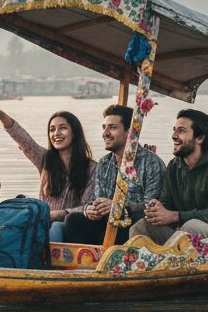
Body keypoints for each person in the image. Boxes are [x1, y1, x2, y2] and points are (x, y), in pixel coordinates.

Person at [130, 108, 208, 245]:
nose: (173, 135)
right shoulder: (174, 166)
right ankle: (141, 264)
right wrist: (158, 209)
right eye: (174, 129)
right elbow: (167, 204)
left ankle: (169, 261)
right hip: (184, 233)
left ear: (200, 138)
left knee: (191, 227)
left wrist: (175, 216)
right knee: (142, 225)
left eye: (181, 131)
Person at [0, 101, 96, 241]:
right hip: (42, 226)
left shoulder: (91, 168)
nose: (56, 133)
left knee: (57, 227)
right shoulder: (45, 159)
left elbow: (88, 207)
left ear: (75, 133)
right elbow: (24, 140)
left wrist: (59, 214)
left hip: (73, 231)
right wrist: (1, 115)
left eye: (63, 128)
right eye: (52, 129)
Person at [63, 104, 165, 245]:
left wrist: (118, 206)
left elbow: (151, 209)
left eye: (112, 127)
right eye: (104, 127)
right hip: (108, 224)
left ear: (129, 133)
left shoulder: (151, 163)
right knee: (73, 220)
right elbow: (96, 199)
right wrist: (91, 209)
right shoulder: (104, 163)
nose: (105, 133)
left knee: (127, 228)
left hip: (135, 227)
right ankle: (84, 265)